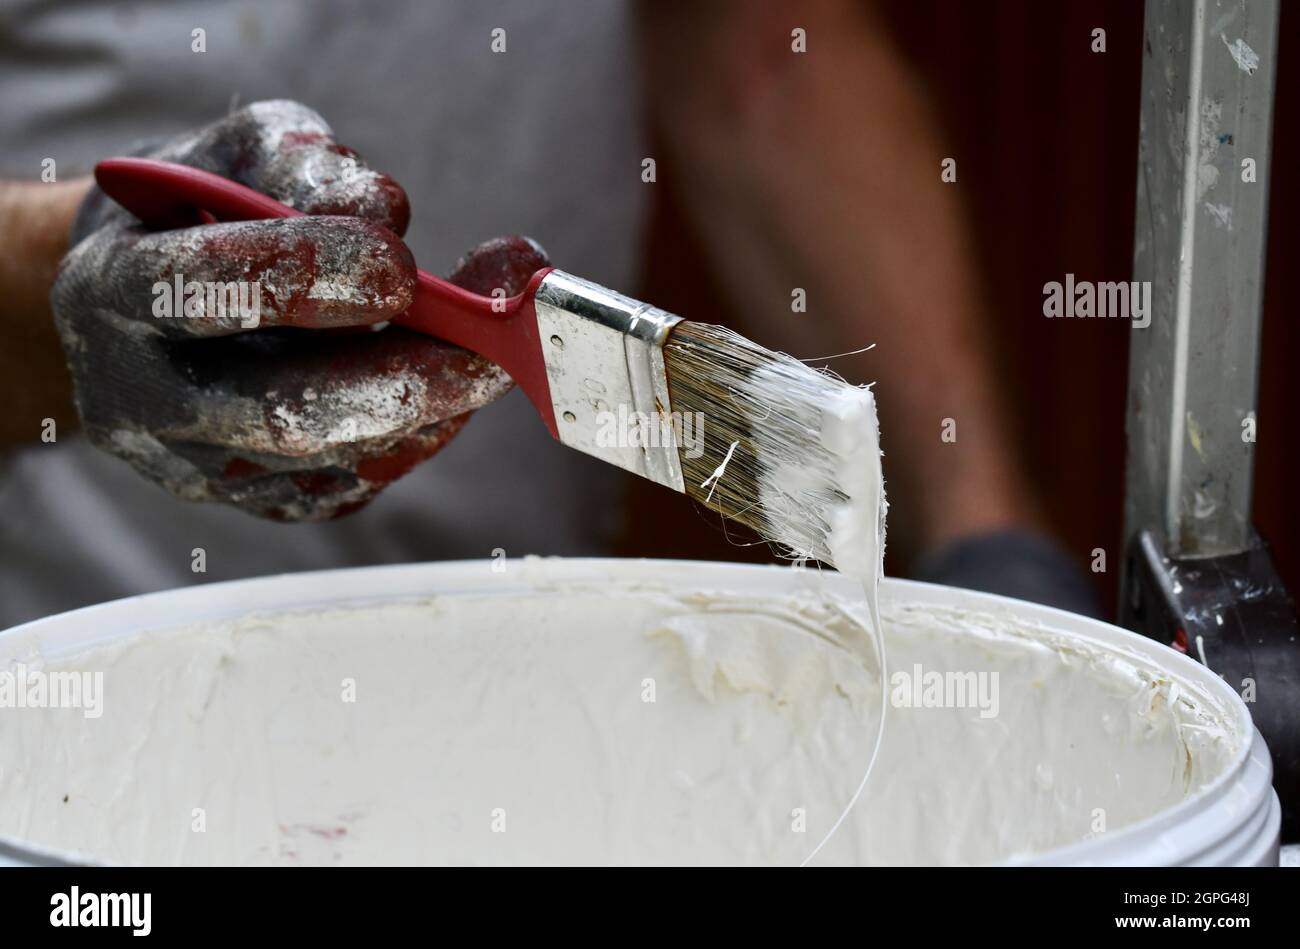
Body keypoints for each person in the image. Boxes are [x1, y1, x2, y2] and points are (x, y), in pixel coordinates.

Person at [0, 0, 1097, 629]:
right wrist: (67, 282)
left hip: (512, 657)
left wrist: (980, 526)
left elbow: (763, 52)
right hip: (75, 673)